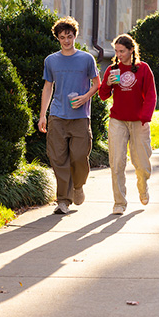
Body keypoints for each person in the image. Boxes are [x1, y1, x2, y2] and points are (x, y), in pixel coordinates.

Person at [38, 17, 100, 215]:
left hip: (80, 116)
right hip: (57, 114)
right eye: (63, 37)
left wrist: (85, 97)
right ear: (57, 38)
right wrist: (42, 116)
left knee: (80, 157)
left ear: (75, 36)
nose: (66, 41)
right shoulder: (51, 60)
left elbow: (97, 83)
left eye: (70, 36)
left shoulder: (86, 59)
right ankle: (63, 200)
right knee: (58, 158)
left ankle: (78, 185)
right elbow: (47, 87)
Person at [98, 34, 156, 216]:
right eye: (116, 51)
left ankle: (142, 184)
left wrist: (145, 118)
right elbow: (103, 95)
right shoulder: (112, 70)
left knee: (141, 162)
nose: (119, 54)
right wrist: (107, 84)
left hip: (139, 121)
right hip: (118, 120)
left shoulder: (143, 69)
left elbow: (151, 95)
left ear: (131, 50)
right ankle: (119, 202)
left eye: (122, 51)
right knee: (117, 162)